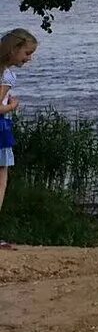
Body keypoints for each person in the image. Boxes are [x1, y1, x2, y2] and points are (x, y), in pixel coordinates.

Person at [0, 28, 39, 224]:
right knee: (2, 174)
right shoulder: (6, 76)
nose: (28, 58)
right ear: (14, 49)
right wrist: (11, 106)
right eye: (27, 53)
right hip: (1, 129)